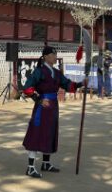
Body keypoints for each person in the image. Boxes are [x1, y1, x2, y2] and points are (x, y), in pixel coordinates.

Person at [21, 46, 85, 178]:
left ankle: (45, 163)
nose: (55, 57)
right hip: (42, 106)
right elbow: (27, 87)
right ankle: (30, 167)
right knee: (36, 133)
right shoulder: (39, 71)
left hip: (53, 107)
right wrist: (38, 99)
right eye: (53, 55)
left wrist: (81, 83)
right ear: (45, 57)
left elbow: (67, 84)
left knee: (50, 132)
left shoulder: (56, 72)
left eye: (55, 55)